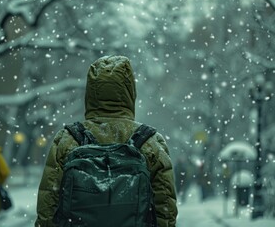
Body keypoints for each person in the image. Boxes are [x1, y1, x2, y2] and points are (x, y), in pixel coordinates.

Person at [35, 55, 178, 227]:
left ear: (90, 93)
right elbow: (166, 205)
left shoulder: (68, 139)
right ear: (130, 92)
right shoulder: (150, 142)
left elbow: (48, 201)